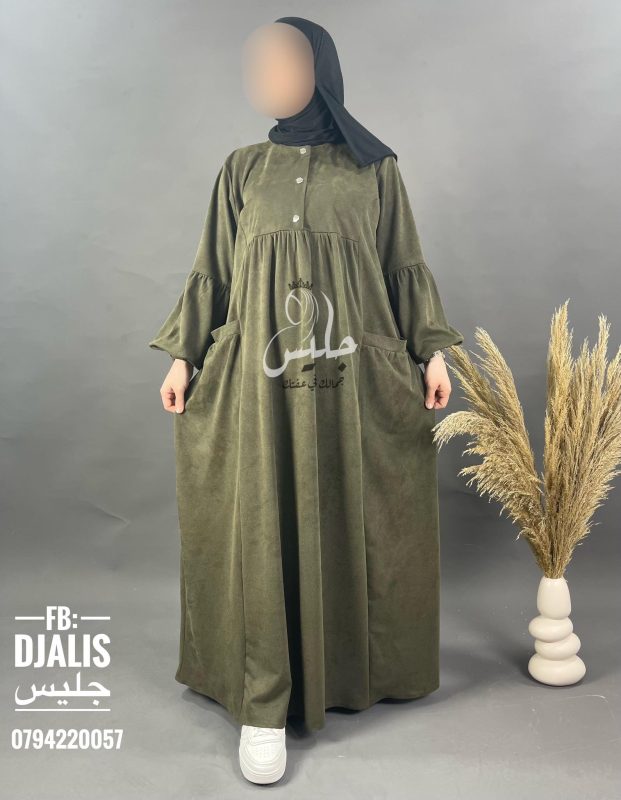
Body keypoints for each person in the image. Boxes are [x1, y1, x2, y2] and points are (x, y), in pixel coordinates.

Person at [148, 16, 464, 785]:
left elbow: (402, 266)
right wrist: (184, 355)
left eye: (284, 61)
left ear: (319, 69)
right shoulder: (242, 171)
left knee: (352, 514)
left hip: (351, 379)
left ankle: (347, 675)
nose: (266, 76)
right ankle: (263, 702)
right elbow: (213, 270)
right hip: (256, 383)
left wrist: (432, 349)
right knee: (261, 520)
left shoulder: (373, 169)